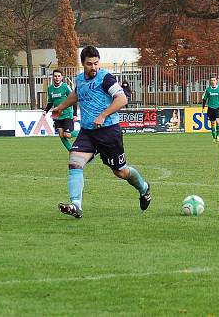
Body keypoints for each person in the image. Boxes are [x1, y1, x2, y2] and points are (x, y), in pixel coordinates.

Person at [52, 46, 152, 218]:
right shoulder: (80, 79)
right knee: (75, 162)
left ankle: (144, 188)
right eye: (89, 64)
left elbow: (122, 99)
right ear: (82, 63)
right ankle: (76, 205)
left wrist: (103, 115)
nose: (93, 67)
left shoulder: (106, 78)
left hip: (109, 132)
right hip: (88, 133)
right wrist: (61, 107)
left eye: (96, 63)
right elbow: (76, 95)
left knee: (121, 172)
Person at [44, 69, 75, 151]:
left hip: (67, 114)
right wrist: (45, 111)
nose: (57, 78)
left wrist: (75, 114)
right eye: (55, 76)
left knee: (67, 134)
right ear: (52, 77)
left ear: (62, 77)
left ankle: (84, 134)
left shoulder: (65, 87)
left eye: (58, 76)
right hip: (57, 115)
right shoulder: (50, 88)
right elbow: (50, 102)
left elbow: (74, 99)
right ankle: (71, 150)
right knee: (61, 134)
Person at [202, 76, 219, 142]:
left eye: (214, 80)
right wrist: (203, 108)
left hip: (218, 107)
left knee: (218, 122)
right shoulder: (208, 90)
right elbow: (204, 99)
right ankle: (214, 137)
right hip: (210, 108)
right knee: (212, 123)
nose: (212, 81)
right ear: (210, 82)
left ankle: (218, 136)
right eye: (211, 80)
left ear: (216, 81)